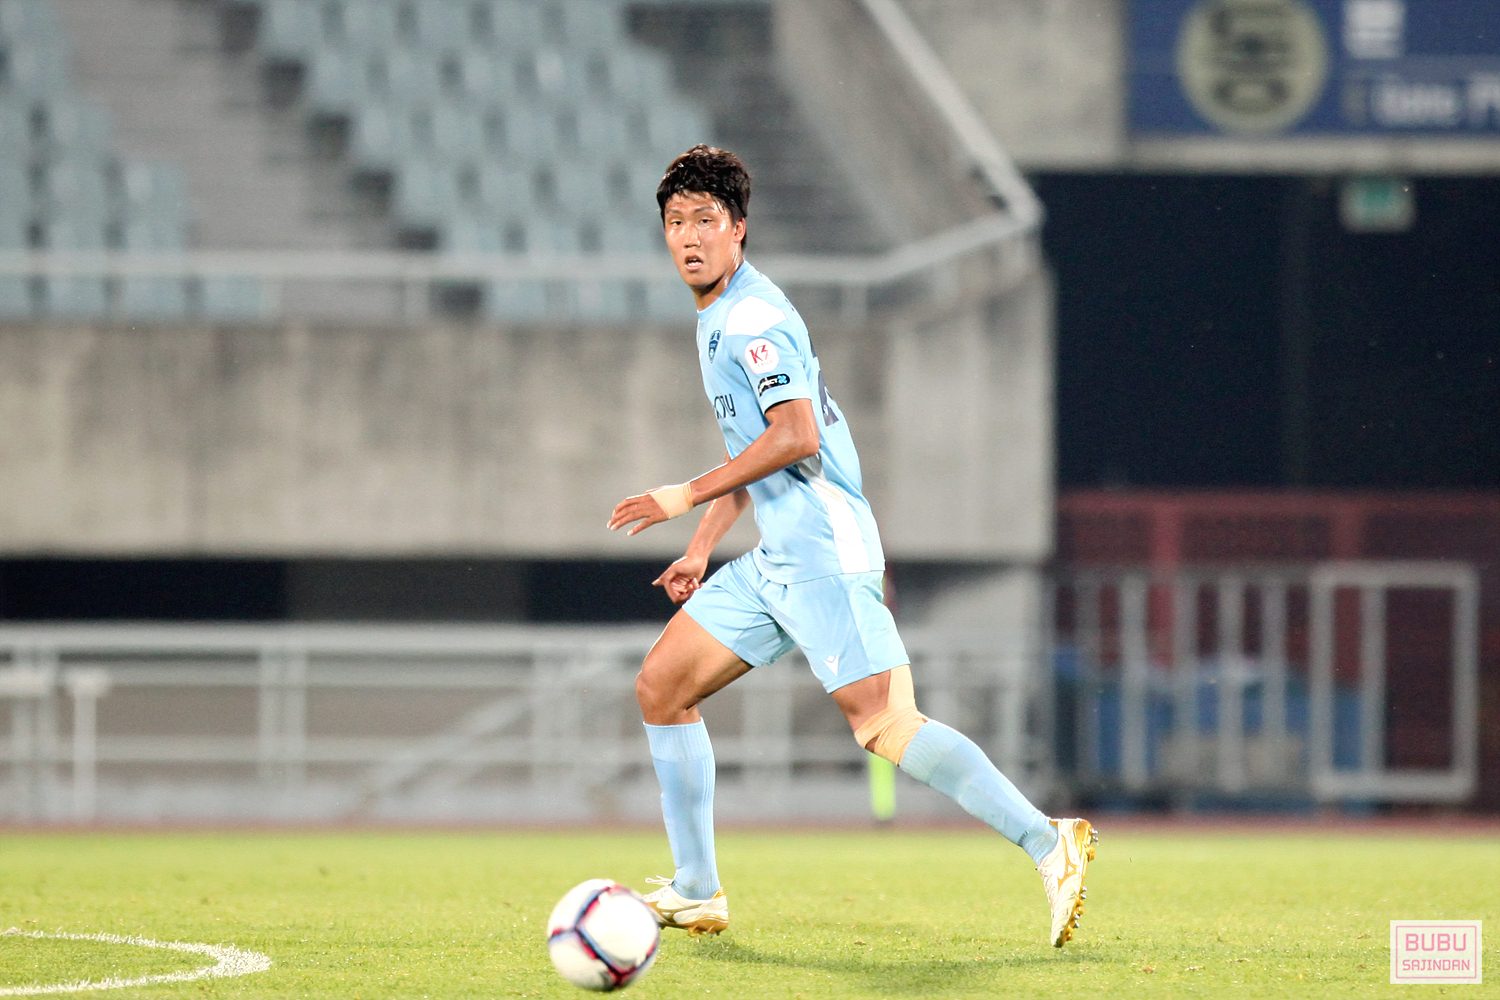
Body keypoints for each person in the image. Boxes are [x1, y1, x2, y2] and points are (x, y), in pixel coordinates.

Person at [608, 144, 1096, 948]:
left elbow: (796, 437)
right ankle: (696, 889)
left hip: (823, 550)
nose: (689, 236)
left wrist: (682, 494)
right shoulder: (720, 314)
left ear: (738, 228)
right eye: (675, 222)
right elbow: (755, 452)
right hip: (778, 557)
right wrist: (701, 545)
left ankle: (1050, 840)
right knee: (662, 685)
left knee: (885, 725)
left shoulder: (754, 321)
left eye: (705, 219)